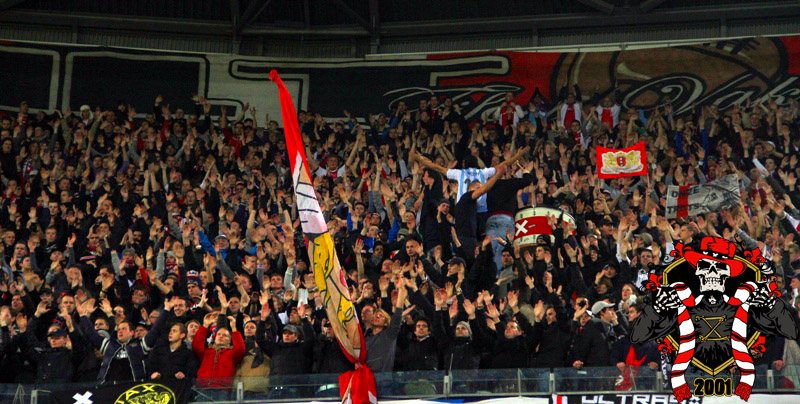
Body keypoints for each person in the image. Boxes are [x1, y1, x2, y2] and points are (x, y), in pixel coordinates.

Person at [77, 298, 168, 383]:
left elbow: (155, 330)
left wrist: (166, 309)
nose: (120, 331)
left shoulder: (140, 345)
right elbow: (91, 334)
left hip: (132, 388)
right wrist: (83, 315)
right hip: (108, 388)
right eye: (119, 329)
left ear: (132, 333)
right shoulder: (109, 345)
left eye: (124, 329)